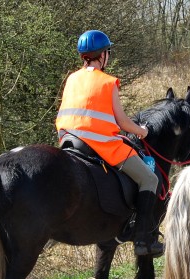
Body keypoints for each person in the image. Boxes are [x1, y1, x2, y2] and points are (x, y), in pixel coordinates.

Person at [55, 30, 163, 257]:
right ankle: (142, 238)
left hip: (69, 141)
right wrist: (141, 131)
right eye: (107, 52)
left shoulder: (72, 78)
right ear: (102, 55)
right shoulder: (108, 82)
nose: (108, 56)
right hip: (100, 144)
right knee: (149, 178)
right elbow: (122, 122)